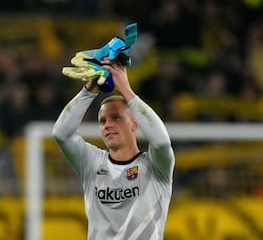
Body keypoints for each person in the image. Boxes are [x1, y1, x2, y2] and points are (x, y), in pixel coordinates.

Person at [52, 55, 175, 239]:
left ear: (134, 124)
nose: (107, 125)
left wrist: (125, 88)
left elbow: (162, 141)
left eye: (116, 117)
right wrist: (90, 89)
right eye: (102, 121)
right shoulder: (91, 163)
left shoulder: (156, 166)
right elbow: (61, 133)